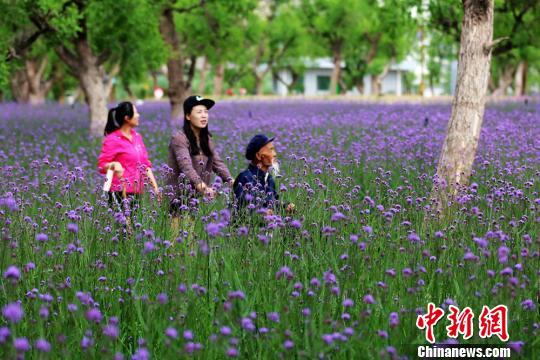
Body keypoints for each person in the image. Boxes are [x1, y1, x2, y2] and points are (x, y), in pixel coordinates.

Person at [167, 95, 233, 227]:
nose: (204, 116)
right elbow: (186, 167)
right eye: (199, 112)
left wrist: (231, 180)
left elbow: (217, 163)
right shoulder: (179, 138)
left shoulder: (206, 139)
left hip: (197, 200)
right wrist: (203, 187)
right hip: (179, 199)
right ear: (188, 116)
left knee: (193, 242)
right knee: (179, 242)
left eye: (206, 112)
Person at [98, 102, 160, 210]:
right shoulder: (112, 139)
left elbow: (145, 165)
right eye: (136, 112)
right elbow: (102, 166)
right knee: (123, 226)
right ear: (127, 118)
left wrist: (155, 188)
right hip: (118, 192)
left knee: (135, 226)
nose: (138, 115)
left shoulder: (137, 137)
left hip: (137, 191)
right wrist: (113, 164)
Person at [233, 134, 295, 216]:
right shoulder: (245, 178)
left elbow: (273, 203)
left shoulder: (269, 179)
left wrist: (286, 206)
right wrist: (260, 214)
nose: (275, 154)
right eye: (271, 150)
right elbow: (239, 209)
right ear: (259, 156)